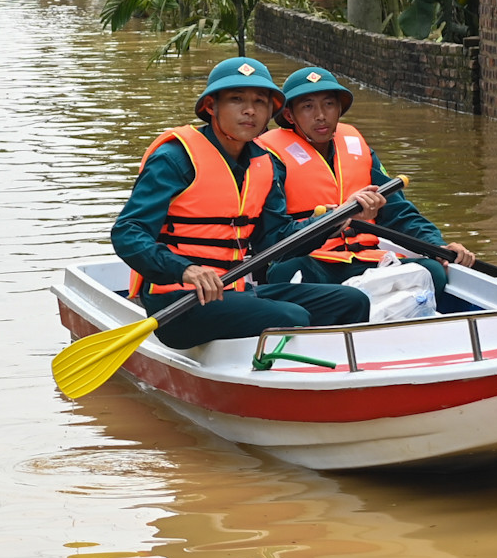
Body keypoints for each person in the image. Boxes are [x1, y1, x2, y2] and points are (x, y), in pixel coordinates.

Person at [110, 57, 390, 351]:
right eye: (236, 99)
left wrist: (330, 221)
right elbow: (128, 233)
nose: (249, 110)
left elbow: (275, 240)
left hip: (235, 292)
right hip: (178, 301)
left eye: (260, 101)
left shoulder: (263, 162)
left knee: (351, 301)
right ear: (210, 106)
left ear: (271, 110)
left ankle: (338, 377)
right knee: (290, 317)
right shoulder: (175, 158)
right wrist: (186, 269)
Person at [260, 66, 476, 298]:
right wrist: (333, 219)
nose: (321, 115)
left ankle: (357, 300)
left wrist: (436, 245)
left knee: (433, 271)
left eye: (329, 104)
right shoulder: (271, 157)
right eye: (308, 106)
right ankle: (354, 301)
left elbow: (398, 212)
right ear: (290, 115)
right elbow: (273, 234)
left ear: (339, 109)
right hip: (313, 261)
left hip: (365, 259)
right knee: (287, 272)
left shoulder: (357, 148)